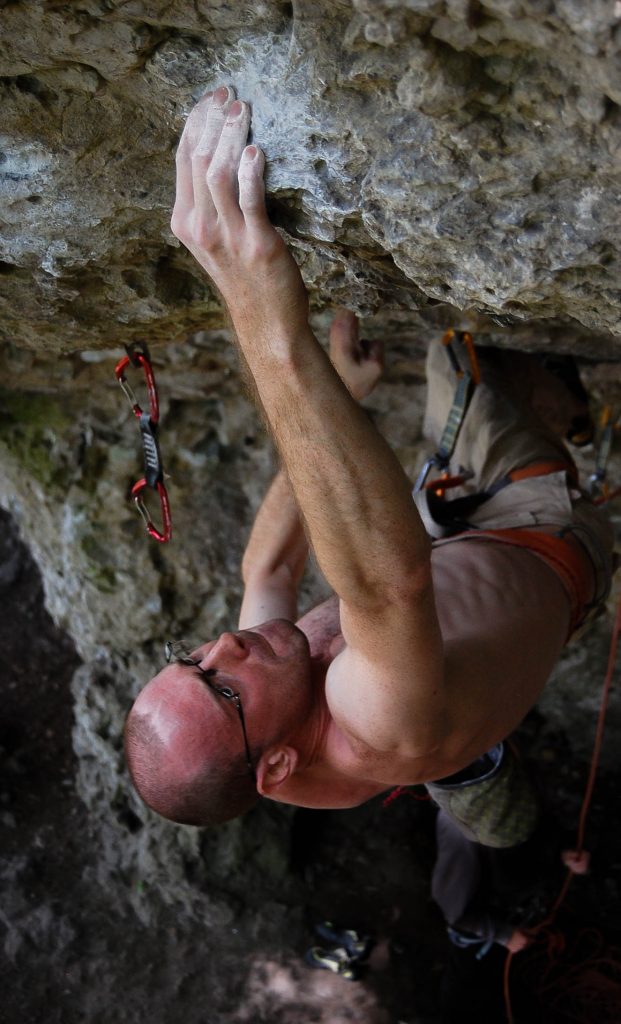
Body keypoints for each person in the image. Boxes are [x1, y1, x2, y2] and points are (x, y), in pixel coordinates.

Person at [124, 85, 615, 834]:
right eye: (223, 688)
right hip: (541, 534)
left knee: (444, 391)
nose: (222, 646)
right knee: (460, 355)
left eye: (189, 659)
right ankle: (572, 425)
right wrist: (258, 308)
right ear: (277, 766)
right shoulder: (378, 732)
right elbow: (389, 588)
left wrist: (343, 395)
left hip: (455, 534)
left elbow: (269, 571)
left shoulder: (263, 717)